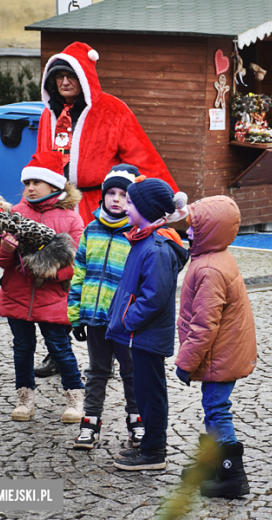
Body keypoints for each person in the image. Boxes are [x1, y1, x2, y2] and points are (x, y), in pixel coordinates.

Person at [37, 41, 178, 225]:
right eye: (59, 76)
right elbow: (40, 161)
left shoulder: (113, 109)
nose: (64, 82)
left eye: (70, 76)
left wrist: (168, 200)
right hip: (55, 205)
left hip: (101, 208)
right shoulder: (48, 114)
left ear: (84, 77)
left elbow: (142, 158)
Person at [0, 152, 85, 423]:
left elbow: (77, 262)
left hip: (53, 297)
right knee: (22, 348)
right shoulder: (15, 214)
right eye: (27, 182)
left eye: (37, 182)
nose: (30, 187)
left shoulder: (71, 219)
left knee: (59, 347)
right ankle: (25, 397)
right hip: (17, 294)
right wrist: (6, 250)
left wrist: (51, 270)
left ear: (55, 186)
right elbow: (0, 260)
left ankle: (75, 398)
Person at [174, 196, 257, 499]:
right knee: (212, 409)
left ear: (211, 231)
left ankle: (232, 475)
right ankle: (214, 464)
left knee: (218, 411)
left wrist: (185, 363)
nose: (189, 232)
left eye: (195, 227)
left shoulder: (209, 268)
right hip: (223, 353)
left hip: (218, 356)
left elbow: (204, 324)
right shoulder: (215, 257)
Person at [107, 176, 189, 471]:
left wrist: (128, 320)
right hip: (139, 335)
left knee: (151, 394)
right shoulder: (143, 240)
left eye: (130, 202)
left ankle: (154, 451)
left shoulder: (156, 247)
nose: (125, 207)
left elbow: (153, 297)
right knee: (143, 391)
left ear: (147, 207)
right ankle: (150, 446)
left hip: (146, 335)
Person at [68, 165, 143, 450]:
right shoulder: (91, 229)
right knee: (98, 371)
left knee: (131, 371)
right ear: (102, 197)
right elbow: (80, 272)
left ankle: (137, 421)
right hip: (95, 318)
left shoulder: (136, 233)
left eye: (123, 194)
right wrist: (75, 316)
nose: (116, 199)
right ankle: (90, 423)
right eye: (110, 193)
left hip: (124, 320)